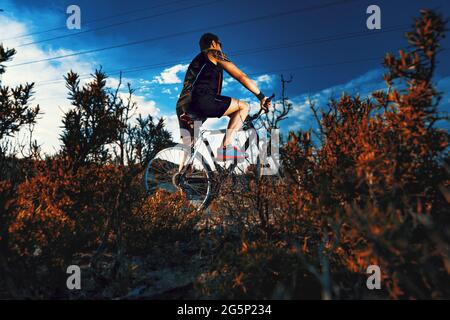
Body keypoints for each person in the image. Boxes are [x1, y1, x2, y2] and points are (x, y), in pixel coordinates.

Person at [176, 32, 272, 161]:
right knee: (243, 107)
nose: (221, 48)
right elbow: (241, 76)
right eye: (220, 44)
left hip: (184, 105)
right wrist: (261, 97)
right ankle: (225, 150)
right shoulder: (214, 53)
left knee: (189, 148)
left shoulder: (197, 60)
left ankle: (181, 176)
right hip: (202, 100)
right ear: (214, 43)